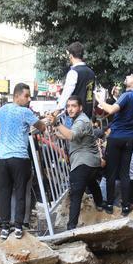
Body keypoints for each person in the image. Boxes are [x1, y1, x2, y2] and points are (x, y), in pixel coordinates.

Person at [0, 82, 45, 239]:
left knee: (4, 192)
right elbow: (41, 127)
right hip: (20, 157)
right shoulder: (25, 112)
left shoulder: (1, 110)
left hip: (2, 157)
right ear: (16, 96)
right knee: (20, 192)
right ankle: (17, 226)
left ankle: (4, 227)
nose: (29, 99)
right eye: (26, 96)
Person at [50, 95, 100, 231]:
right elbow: (70, 135)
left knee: (76, 194)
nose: (70, 109)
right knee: (91, 182)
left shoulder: (82, 121)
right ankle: (101, 205)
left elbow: (71, 135)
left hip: (83, 162)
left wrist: (56, 124)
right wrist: (58, 132)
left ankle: (71, 228)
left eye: (73, 106)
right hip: (91, 162)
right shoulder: (79, 119)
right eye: (68, 106)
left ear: (80, 108)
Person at [99, 71, 133, 215]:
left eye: (131, 76)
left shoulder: (128, 95)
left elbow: (112, 110)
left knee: (111, 173)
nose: (127, 76)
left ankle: (109, 204)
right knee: (125, 173)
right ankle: (126, 206)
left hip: (117, 136)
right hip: (130, 138)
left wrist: (100, 100)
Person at [56, 41, 97, 117]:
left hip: (75, 116)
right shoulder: (91, 72)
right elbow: (93, 95)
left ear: (71, 56)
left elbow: (66, 94)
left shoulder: (73, 72)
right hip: (88, 115)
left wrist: (57, 111)